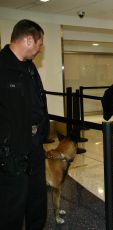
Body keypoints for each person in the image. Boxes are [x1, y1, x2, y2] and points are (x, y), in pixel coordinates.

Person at [0, 19, 49, 229]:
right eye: (39, 44)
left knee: (37, 208)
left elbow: (37, 104)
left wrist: (40, 135)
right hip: (11, 157)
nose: (40, 49)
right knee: (11, 213)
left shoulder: (30, 69)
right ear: (29, 40)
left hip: (35, 151)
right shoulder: (2, 67)